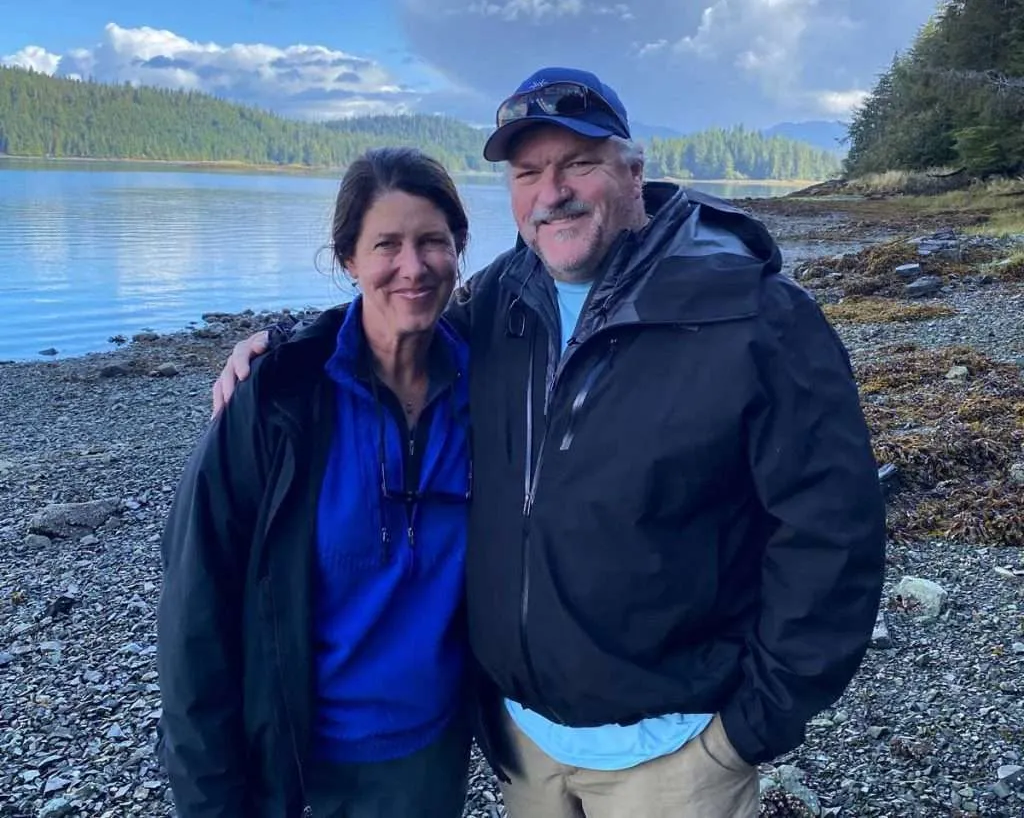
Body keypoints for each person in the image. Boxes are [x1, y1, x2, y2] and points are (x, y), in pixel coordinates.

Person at [212, 67, 888, 818]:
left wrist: (752, 723)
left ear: (633, 171)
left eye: (579, 164)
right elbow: (396, 315)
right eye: (528, 172)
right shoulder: (504, 300)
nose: (551, 191)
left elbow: (835, 533)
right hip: (525, 749)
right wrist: (286, 346)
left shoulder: (755, 317)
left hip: (675, 754)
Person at [156, 146, 475, 818]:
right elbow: (194, 616)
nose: (413, 267)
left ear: (459, 250)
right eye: (386, 243)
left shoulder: (491, 383)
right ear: (348, 259)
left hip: (434, 756)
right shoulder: (277, 400)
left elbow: (581, 233)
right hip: (301, 764)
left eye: (432, 242)